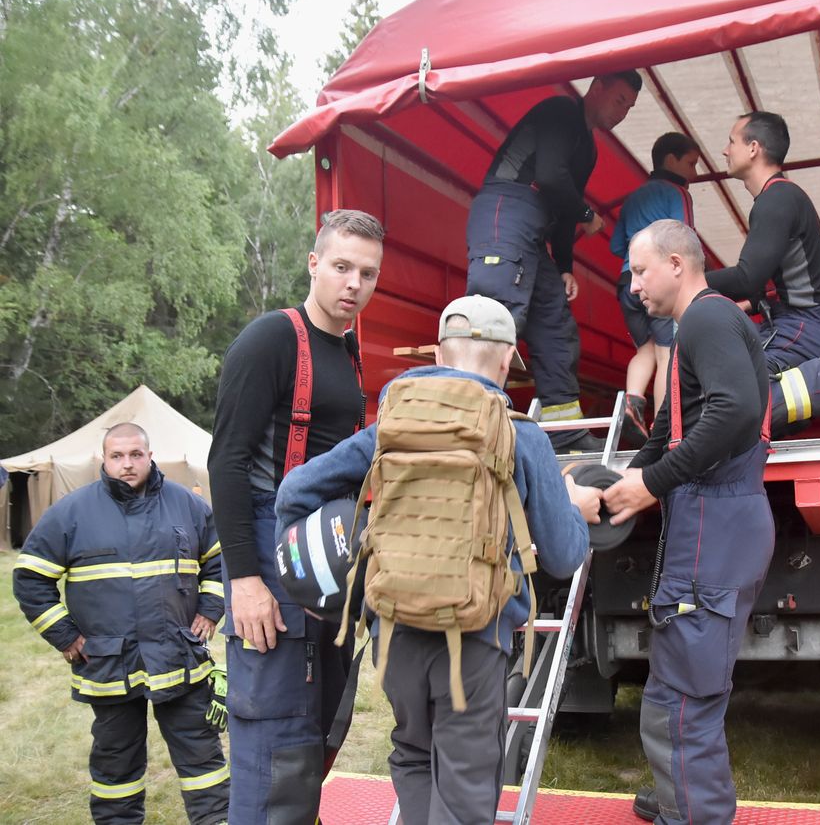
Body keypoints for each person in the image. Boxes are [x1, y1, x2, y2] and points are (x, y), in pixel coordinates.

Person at [274, 294, 599, 825]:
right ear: (504, 360)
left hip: (394, 633)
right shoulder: (520, 434)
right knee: (467, 788)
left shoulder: (390, 427)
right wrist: (575, 510)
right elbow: (563, 558)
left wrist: (335, 572)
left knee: (414, 758)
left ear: (442, 356)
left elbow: (293, 492)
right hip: (475, 641)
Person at [208, 208, 384, 823]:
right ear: (314, 264)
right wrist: (247, 583)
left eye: (367, 272)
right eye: (341, 267)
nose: (353, 284)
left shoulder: (347, 347)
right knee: (274, 739)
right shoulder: (272, 340)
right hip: (267, 547)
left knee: (316, 730)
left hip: (326, 547)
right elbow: (226, 463)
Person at [603, 220, 774, 825]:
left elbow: (736, 411)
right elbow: (667, 432)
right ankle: (684, 799)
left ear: (677, 263)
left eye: (639, 271)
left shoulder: (705, 319)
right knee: (678, 694)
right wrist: (617, 484)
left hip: (716, 522)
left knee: (680, 703)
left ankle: (693, 814)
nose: (633, 287)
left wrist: (651, 484)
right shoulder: (694, 326)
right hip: (713, 522)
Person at [13, 423, 228, 824]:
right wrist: (64, 634)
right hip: (109, 663)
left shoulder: (189, 505)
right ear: (104, 459)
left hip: (178, 657)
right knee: (116, 769)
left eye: (135, 455)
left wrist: (211, 610)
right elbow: (30, 577)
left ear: (149, 455)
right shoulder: (71, 512)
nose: (127, 464)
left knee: (203, 760)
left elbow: (219, 561)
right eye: (117, 456)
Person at [466, 71, 642, 453]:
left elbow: (562, 208)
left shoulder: (589, 149)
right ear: (596, 88)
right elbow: (550, 177)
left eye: (629, 106)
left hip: (534, 230)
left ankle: (566, 435)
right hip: (505, 210)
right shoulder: (563, 112)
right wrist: (586, 213)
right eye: (619, 100)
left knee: (556, 326)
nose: (623, 112)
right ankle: (471, 427)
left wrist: (564, 266)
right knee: (495, 320)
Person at [707, 111, 820, 436]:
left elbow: (747, 277)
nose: (725, 150)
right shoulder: (777, 199)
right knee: (730, 405)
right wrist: (746, 307)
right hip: (799, 322)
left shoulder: (776, 200)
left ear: (753, 148)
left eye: (731, 141)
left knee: (737, 400)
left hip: (804, 326)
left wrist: (690, 283)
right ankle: (807, 395)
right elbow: (765, 285)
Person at [609, 132, 701, 447]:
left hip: (626, 282)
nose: (695, 174)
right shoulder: (677, 193)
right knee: (667, 355)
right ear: (671, 160)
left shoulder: (633, 198)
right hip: (657, 282)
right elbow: (685, 239)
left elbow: (616, 245)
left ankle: (632, 405)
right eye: (691, 164)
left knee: (645, 350)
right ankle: (666, 427)